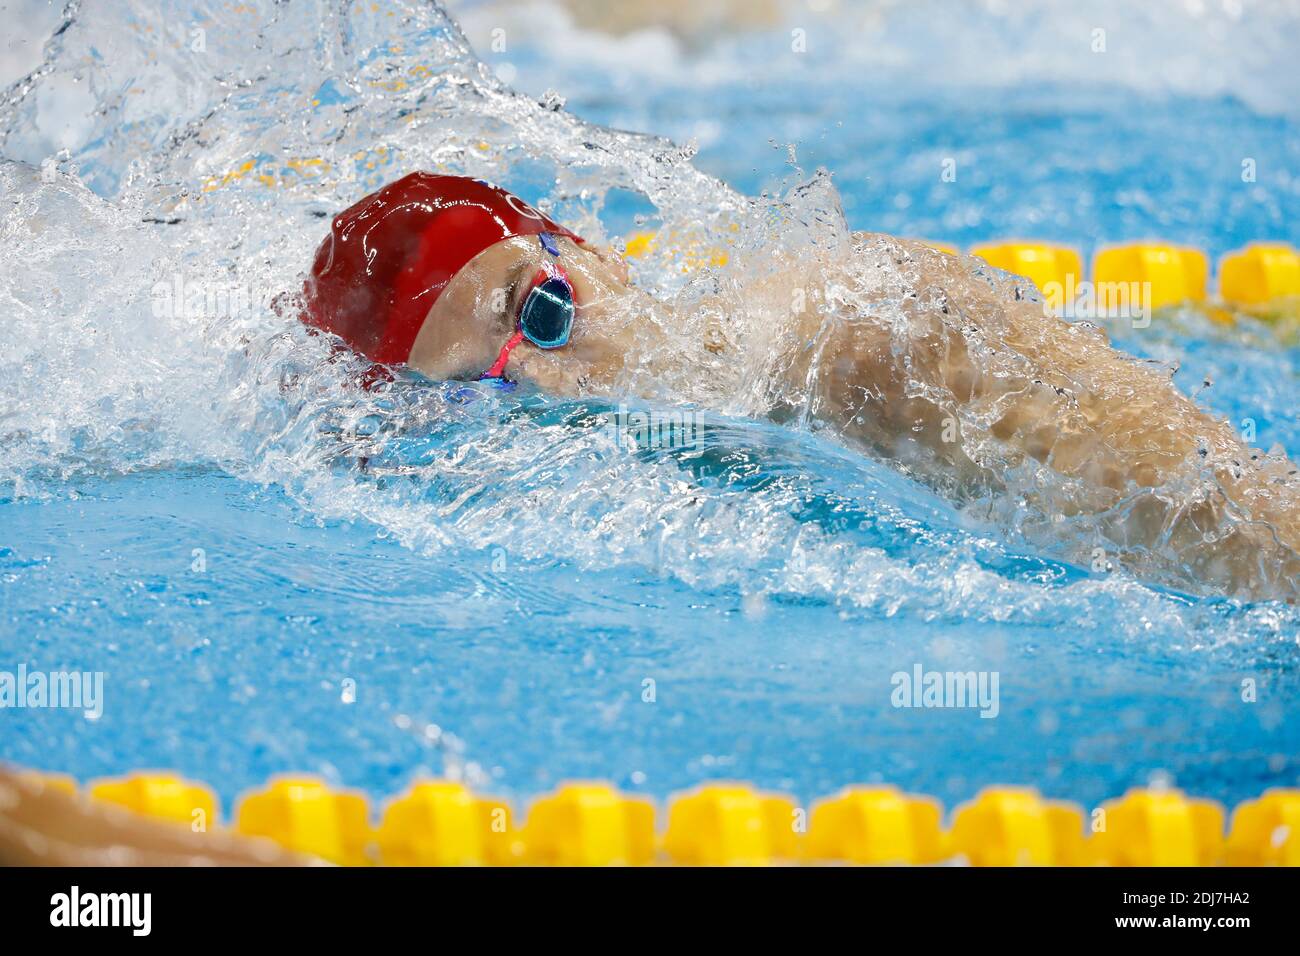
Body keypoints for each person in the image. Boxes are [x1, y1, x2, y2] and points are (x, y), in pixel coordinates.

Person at [301, 172, 1300, 601]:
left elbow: (1242, 528)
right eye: (487, 389)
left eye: (544, 309)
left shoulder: (855, 337)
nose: (550, 384)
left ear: (592, 252)